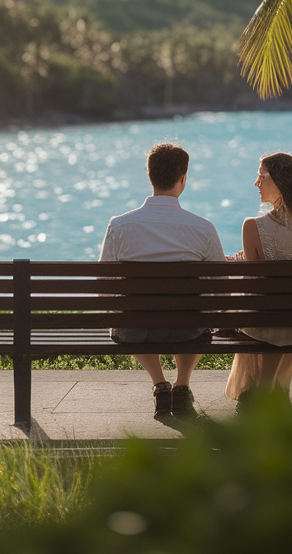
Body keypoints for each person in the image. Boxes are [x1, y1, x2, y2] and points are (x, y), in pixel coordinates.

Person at [99, 142, 225, 419]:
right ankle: (182, 384)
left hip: (136, 330)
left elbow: (105, 283)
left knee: (129, 316)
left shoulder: (120, 225)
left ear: (150, 177)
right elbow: (220, 284)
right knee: (196, 315)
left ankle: (160, 384)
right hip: (187, 329)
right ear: (183, 179)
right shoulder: (203, 228)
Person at [225, 152, 292, 405]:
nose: (256, 183)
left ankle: (264, 392)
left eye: (262, 176)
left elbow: (253, 286)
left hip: (268, 322)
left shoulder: (252, 226)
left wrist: (243, 263)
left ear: (280, 182)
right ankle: (278, 391)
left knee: (268, 316)